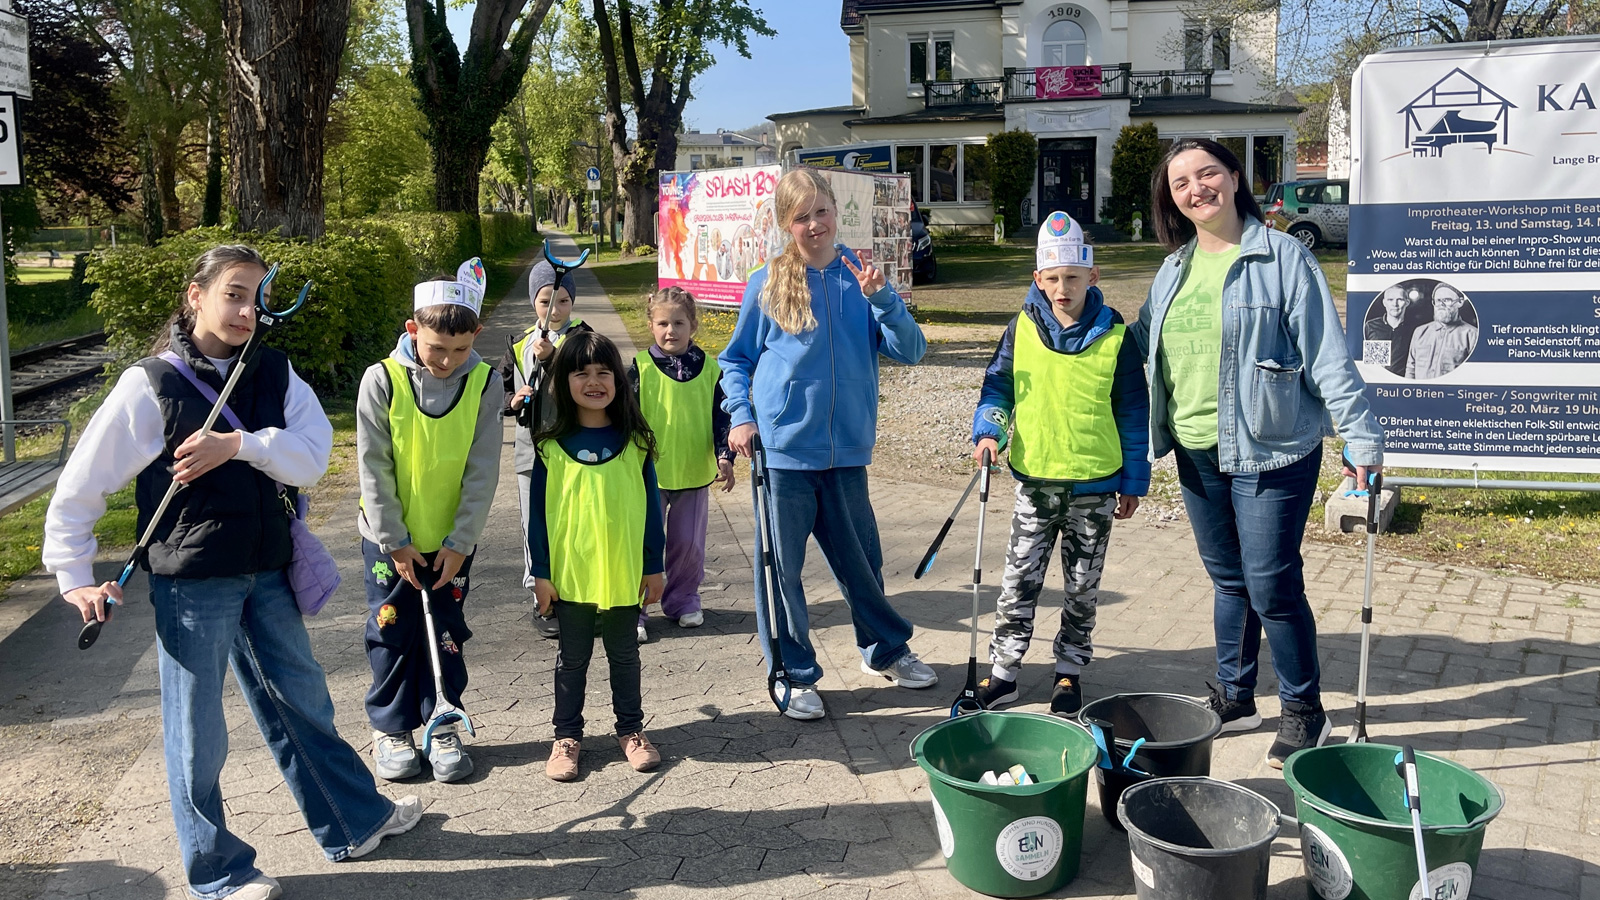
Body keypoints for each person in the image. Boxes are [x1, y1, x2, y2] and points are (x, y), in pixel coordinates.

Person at [44, 245, 421, 900]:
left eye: (256, 296)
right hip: (192, 582)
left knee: (304, 699)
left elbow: (311, 457)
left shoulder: (273, 370)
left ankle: (353, 822)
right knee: (198, 733)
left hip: (266, 566)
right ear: (196, 296)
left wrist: (239, 446)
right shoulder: (152, 384)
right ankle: (218, 873)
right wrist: (74, 573)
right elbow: (82, 486)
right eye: (233, 294)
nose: (248, 310)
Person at [1132, 138, 1384, 768]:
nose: (1197, 189)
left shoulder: (1282, 257)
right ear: (1171, 197)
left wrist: (1360, 436)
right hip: (1194, 448)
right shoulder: (1173, 270)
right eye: (1181, 181)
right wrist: (1065, 318)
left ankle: (1304, 709)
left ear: (1235, 176)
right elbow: (1134, 340)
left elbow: (1328, 351)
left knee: (1271, 584)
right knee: (1227, 579)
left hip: (1272, 447)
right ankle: (1236, 691)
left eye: (1207, 173)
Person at [719, 167, 935, 721]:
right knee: (781, 571)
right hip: (783, 454)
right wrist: (740, 418)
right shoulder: (767, 282)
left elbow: (912, 351)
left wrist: (883, 299)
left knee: (862, 562)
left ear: (837, 211)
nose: (814, 224)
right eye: (801, 216)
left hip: (847, 453)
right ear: (785, 224)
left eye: (822, 211)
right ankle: (792, 673)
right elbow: (735, 361)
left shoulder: (860, 279)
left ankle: (884, 651)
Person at [970, 212, 1150, 716]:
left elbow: (1133, 411)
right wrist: (989, 431)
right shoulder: (1020, 329)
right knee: (1019, 580)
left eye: (1073, 277)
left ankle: (1069, 672)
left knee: (1082, 584)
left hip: (1095, 484)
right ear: (1038, 280)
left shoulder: (1116, 336)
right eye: (1053, 279)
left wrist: (1134, 478)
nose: (1062, 288)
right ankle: (1005, 671)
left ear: (1092, 276)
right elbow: (998, 388)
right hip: (1036, 483)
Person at [357, 260, 502, 784]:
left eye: (460, 350)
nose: (447, 360)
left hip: (450, 545)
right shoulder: (382, 380)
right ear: (412, 330)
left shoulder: (485, 383)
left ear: (476, 336)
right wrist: (395, 540)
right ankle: (392, 726)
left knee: (445, 632)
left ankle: (442, 720)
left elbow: (483, 471)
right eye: (436, 348)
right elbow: (373, 467)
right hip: (389, 542)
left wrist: (461, 541)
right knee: (391, 632)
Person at [529, 331, 666, 781]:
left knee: (624, 654)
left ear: (619, 381)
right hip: (570, 577)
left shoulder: (637, 444)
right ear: (562, 382)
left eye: (603, 372)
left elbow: (650, 511)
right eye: (581, 372)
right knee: (573, 658)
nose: (593, 381)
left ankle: (631, 730)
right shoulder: (549, 448)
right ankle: (566, 736)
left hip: (624, 572)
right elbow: (538, 521)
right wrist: (542, 575)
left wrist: (654, 565)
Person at [628, 286, 737, 643]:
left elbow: (723, 418)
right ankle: (635, 607)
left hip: (693, 472)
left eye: (679, 322)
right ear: (651, 325)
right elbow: (624, 419)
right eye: (662, 323)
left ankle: (683, 600)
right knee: (644, 542)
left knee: (689, 544)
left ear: (693, 325)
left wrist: (725, 455)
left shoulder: (711, 369)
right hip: (647, 475)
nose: (670, 330)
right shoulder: (639, 368)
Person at [499, 261, 594, 640]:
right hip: (530, 451)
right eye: (545, 302)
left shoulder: (585, 338)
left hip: (574, 448)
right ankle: (540, 597)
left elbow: (594, 380)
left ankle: (577, 593)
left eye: (563, 301)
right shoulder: (518, 342)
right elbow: (501, 393)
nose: (555, 310)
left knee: (572, 521)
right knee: (533, 523)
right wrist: (513, 400)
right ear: (533, 302)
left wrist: (553, 358)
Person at [1406, 284, 1477, 379]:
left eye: (1447, 300)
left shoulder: (1472, 335)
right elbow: (1410, 369)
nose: (1441, 305)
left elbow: (1473, 375)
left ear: (1460, 302)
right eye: (1438, 300)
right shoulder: (1420, 332)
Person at [1363, 285, 1415, 376]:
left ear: (1407, 302)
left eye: (1400, 299)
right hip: (1378, 379)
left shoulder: (1414, 329)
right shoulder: (1372, 326)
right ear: (1384, 303)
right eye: (1390, 300)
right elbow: (1373, 364)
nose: (1395, 304)